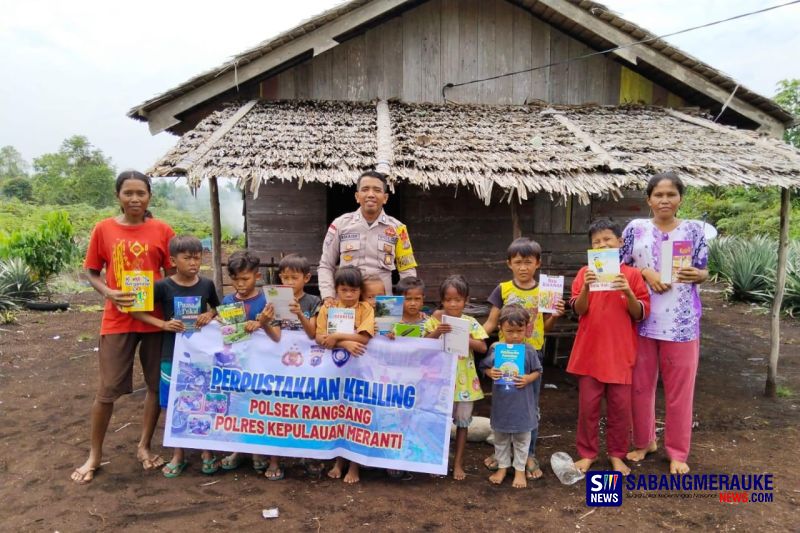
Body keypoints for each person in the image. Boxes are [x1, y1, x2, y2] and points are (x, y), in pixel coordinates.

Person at [71, 170, 176, 484]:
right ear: (118, 196)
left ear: (149, 197)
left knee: (156, 385)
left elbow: (172, 276)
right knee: (107, 390)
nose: (134, 199)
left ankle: (144, 446)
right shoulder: (103, 229)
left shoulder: (162, 230)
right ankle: (95, 454)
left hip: (156, 320)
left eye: (140, 193)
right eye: (128, 193)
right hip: (117, 320)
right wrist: (108, 292)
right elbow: (91, 272)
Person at [621, 172, 709, 475]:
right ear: (649, 200)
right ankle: (645, 442)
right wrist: (645, 273)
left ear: (680, 198)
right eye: (658, 195)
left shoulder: (694, 230)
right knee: (640, 388)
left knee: (680, 392)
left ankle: (677, 452)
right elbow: (620, 266)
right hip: (642, 319)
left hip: (682, 324)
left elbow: (703, 269)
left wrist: (700, 275)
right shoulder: (636, 229)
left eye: (671, 194)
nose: (665, 200)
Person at [130, 235, 220, 477]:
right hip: (171, 353)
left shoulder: (207, 284)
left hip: (201, 354)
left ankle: (207, 450)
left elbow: (219, 310)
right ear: (172, 260)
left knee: (203, 399)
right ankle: (178, 453)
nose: (193, 262)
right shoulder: (162, 286)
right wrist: (162, 324)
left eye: (197, 257)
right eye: (187, 258)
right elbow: (137, 311)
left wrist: (209, 316)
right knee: (173, 403)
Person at [568, 220, 650, 475]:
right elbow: (579, 310)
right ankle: (587, 453)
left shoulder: (633, 275)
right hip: (590, 353)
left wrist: (628, 291)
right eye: (597, 242)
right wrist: (586, 289)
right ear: (591, 248)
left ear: (620, 243)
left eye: (608, 239)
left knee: (620, 410)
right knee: (588, 408)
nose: (603, 244)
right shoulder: (584, 274)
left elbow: (640, 314)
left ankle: (616, 454)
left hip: (620, 354)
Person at [481, 237, 564, 480]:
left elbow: (545, 327)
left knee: (530, 407)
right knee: (504, 405)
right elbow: (491, 323)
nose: (523, 267)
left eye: (528, 262)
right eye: (518, 262)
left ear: (538, 263)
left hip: (531, 354)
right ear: (509, 263)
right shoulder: (503, 289)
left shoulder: (545, 290)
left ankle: (528, 453)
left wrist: (556, 316)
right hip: (504, 355)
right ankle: (502, 454)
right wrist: (472, 338)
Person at [218, 251, 282, 479]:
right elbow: (225, 333)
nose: (240, 284)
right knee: (239, 407)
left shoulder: (267, 301)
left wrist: (262, 323)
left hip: (264, 368)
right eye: (235, 279)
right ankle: (240, 450)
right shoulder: (227, 302)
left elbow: (277, 337)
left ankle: (266, 455)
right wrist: (214, 320)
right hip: (238, 367)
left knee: (265, 408)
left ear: (257, 276)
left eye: (245, 279)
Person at [424, 275, 488, 481]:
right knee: (438, 423)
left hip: (465, 383)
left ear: (466, 300)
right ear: (442, 300)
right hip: (439, 382)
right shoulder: (434, 322)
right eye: (449, 300)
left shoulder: (470, 322)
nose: (453, 304)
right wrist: (436, 333)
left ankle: (458, 463)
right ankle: (437, 461)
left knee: (462, 424)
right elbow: (423, 345)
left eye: (458, 300)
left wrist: (466, 338)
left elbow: (483, 346)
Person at [318, 170, 417, 303]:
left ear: (385, 198)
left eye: (377, 190)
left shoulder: (398, 229)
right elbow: (326, 265)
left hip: (382, 304)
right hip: (347, 304)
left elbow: (407, 271)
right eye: (365, 189)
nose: (371, 194)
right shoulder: (340, 224)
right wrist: (328, 296)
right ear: (357, 196)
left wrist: (408, 301)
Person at [316, 266, 375, 483]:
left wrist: (340, 337)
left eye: (353, 290)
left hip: (360, 373)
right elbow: (319, 337)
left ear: (360, 290)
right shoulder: (328, 308)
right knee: (338, 415)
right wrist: (345, 342)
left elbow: (365, 338)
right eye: (344, 290)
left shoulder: (366, 308)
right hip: (336, 373)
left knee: (357, 416)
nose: (349, 295)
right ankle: (338, 461)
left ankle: (354, 465)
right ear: (337, 290)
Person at [479, 304, 543, 489]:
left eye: (519, 330)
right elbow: (484, 367)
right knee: (501, 438)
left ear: (526, 328)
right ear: (500, 329)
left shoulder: (529, 350)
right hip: (502, 406)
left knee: (523, 439)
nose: (515, 335)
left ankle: (520, 470)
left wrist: (528, 378)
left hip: (523, 406)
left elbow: (538, 371)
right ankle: (503, 467)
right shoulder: (496, 349)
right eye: (510, 331)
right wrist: (491, 372)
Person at [276, 254, 321, 340]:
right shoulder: (277, 301)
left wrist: (300, 314)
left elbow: (312, 334)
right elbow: (275, 336)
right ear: (281, 278)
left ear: (306, 278)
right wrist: (264, 321)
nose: (289, 282)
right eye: (285, 278)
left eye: (294, 278)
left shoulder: (314, 301)